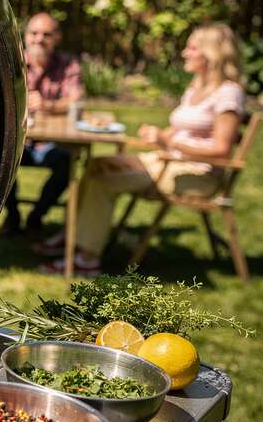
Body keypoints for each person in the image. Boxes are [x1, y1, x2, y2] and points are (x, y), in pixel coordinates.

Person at [40, 23, 247, 275]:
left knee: (103, 180)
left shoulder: (229, 94)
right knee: (96, 165)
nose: (185, 53)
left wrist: (168, 141)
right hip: (168, 161)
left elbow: (222, 150)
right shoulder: (197, 86)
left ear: (211, 54)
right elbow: (181, 129)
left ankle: (86, 258)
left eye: (191, 48)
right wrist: (160, 136)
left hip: (195, 175)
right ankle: (71, 235)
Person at [2, 12, 83, 235]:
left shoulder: (67, 64)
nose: (39, 39)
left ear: (57, 38)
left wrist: (47, 105)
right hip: (20, 141)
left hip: (51, 142)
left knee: (67, 163)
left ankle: (37, 216)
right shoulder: (12, 62)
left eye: (46, 34)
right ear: (25, 36)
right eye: (34, 33)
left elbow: (76, 101)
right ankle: (12, 213)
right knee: (0, 161)